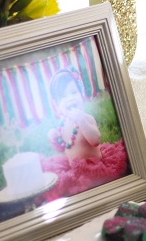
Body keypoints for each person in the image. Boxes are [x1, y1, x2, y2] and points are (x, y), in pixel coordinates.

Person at [41, 68, 128, 201]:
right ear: (57, 105)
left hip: (93, 167)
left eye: (74, 92)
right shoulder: (62, 125)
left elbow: (95, 140)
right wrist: (52, 137)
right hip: (74, 170)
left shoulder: (87, 118)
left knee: (93, 186)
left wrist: (81, 119)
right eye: (63, 96)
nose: (70, 98)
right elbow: (61, 147)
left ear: (81, 94)